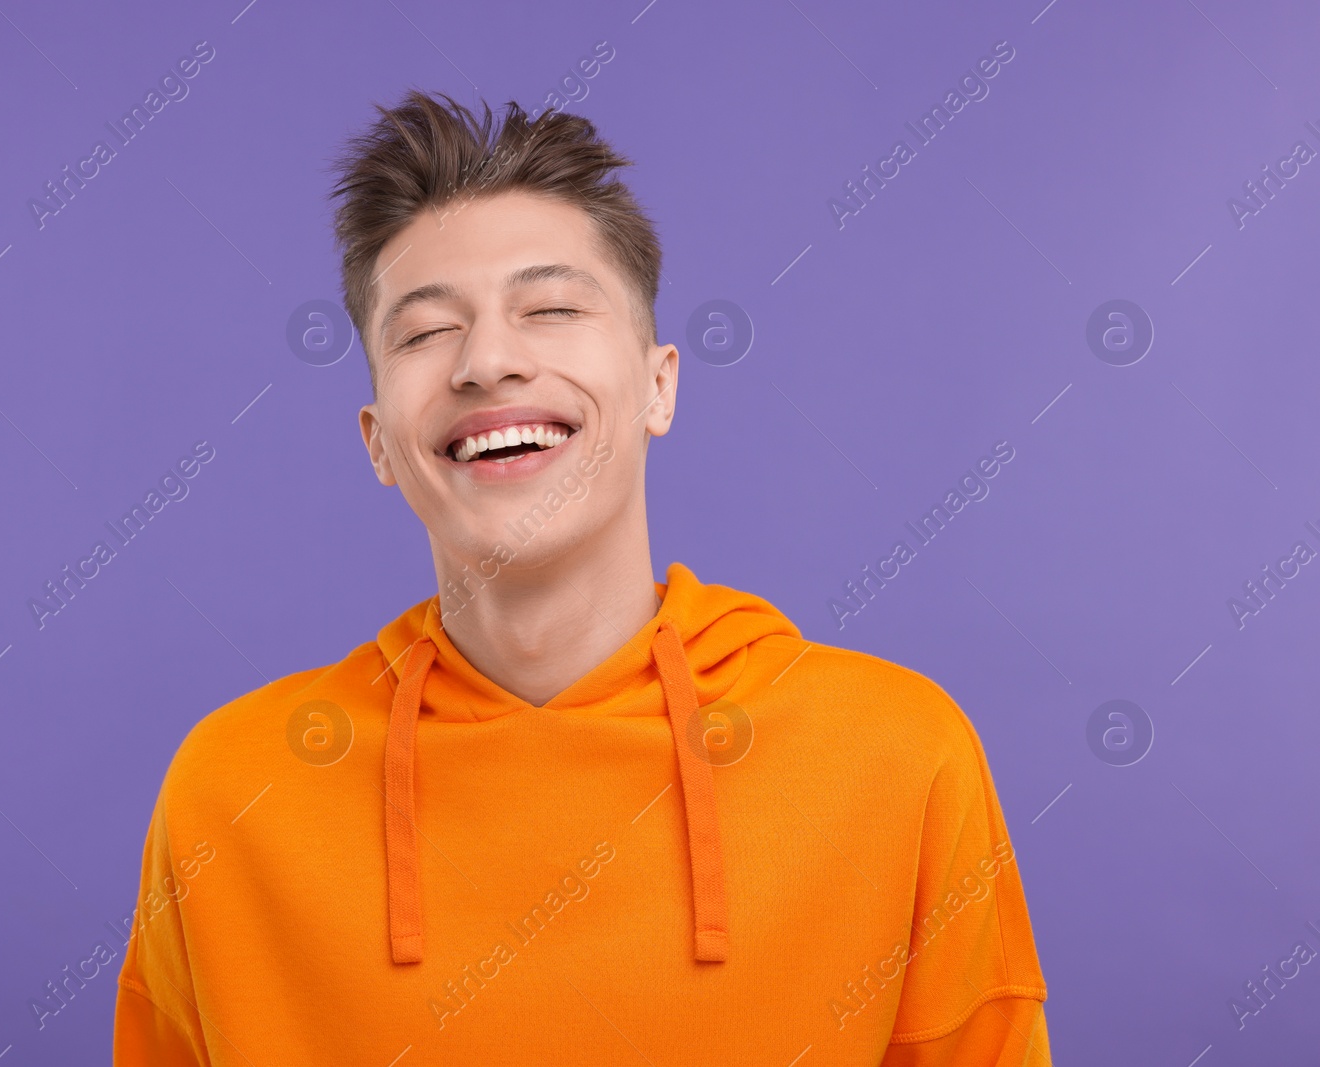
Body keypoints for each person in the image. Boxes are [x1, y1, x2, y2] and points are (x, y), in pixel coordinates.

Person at [113, 89, 1052, 1065]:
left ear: (658, 384)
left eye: (550, 308)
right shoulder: (234, 792)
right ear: (378, 441)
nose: (486, 360)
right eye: (424, 331)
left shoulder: (898, 756)